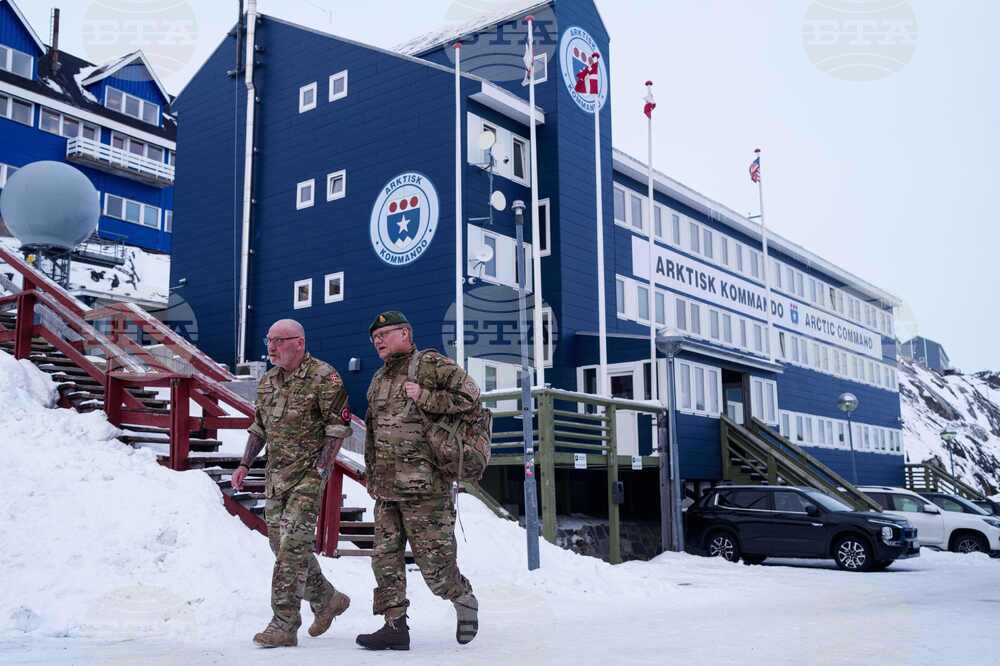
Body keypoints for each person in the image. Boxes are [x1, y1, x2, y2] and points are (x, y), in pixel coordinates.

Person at [356, 311, 479, 651]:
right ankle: (395, 626)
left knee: (435, 566)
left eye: (385, 333)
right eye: (374, 337)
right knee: (385, 560)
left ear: (406, 333)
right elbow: (373, 432)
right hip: (385, 488)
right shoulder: (378, 379)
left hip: (424, 487)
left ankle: (462, 596)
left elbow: (470, 395)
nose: (378, 341)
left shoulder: (429, 364)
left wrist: (425, 396)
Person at [232, 319, 353, 648]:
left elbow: (337, 429)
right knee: (280, 546)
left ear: (298, 343)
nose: (271, 347)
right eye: (269, 340)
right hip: (275, 477)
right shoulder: (268, 380)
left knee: (290, 550)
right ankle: (328, 599)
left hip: (306, 478)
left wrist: (320, 470)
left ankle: (284, 623)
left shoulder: (324, 377)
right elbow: (259, 426)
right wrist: (245, 463)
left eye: (279, 341)